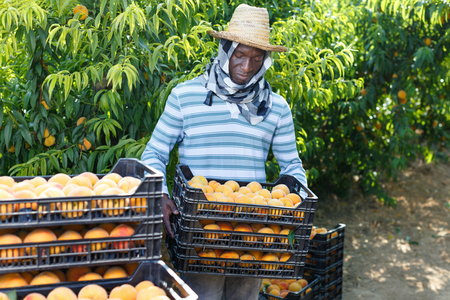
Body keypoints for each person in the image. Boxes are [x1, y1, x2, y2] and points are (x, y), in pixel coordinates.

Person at [141, 4, 308, 300]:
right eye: (240, 55)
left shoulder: (276, 107)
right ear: (224, 50)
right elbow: (154, 154)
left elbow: (291, 166)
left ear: (265, 60)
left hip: (254, 233)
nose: (246, 67)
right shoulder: (186, 96)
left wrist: (299, 202)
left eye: (256, 59)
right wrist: (163, 196)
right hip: (200, 229)